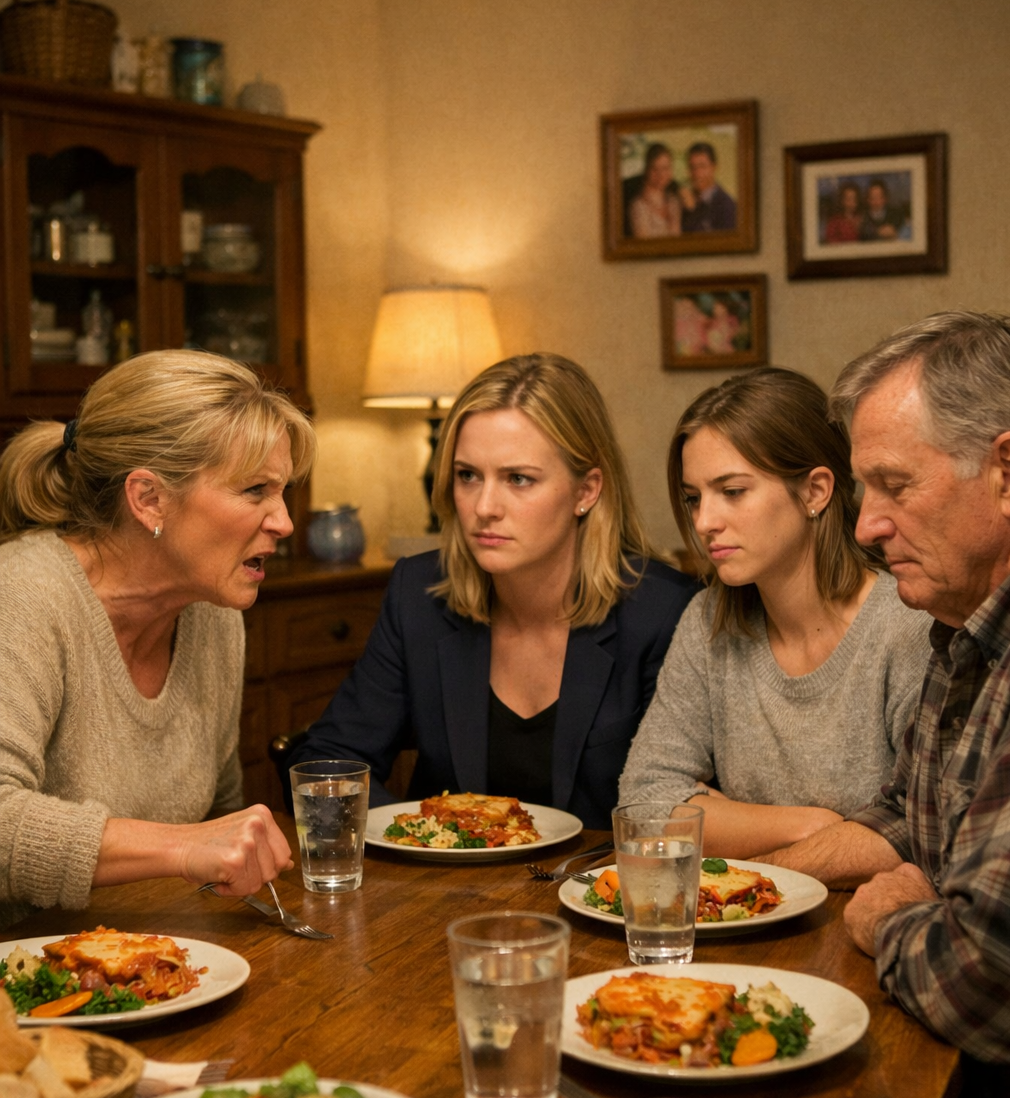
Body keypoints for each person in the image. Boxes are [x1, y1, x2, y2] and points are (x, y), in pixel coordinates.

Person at [757, 312, 1010, 1098]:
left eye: (894, 487)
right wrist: (780, 879)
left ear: (1009, 472)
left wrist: (888, 921)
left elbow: (984, 974)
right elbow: (906, 820)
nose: (865, 526)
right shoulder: (966, 629)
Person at [289, 353, 699, 827]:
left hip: (599, 875)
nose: (484, 507)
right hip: (440, 872)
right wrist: (429, 832)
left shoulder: (663, 613)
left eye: (518, 479)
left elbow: (681, 810)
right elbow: (326, 762)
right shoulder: (419, 595)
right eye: (468, 475)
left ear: (586, 491)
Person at [0, 349, 314, 920]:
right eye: (255, 491)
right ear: (149, 499)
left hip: (154, 949)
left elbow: (220, 818)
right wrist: (183, 847)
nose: (285, 521)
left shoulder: (213, 612)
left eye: (283, 490)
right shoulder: (22, 594)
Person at [618, 367, 932, 859]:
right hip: (748, 904)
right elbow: (642, 802)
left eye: (732, 491)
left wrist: (719, 816)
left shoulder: (908, 626)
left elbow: (920, 833)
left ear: (814, 491)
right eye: (693, 498)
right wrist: (815, 826)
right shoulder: (707, 620)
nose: (704, 521)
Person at [627, 143, 682, 239]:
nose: (661, 174)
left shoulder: (674, 201)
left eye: (665, 168)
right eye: (655, 169)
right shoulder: (639, 206)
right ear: (647, 170)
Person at [680, 142, 737, 232]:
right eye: (692, 167)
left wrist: (692, 212)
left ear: (714, 167)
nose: (697, 173)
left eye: (702, 166)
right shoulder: (684, 201)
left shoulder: (727, 207)